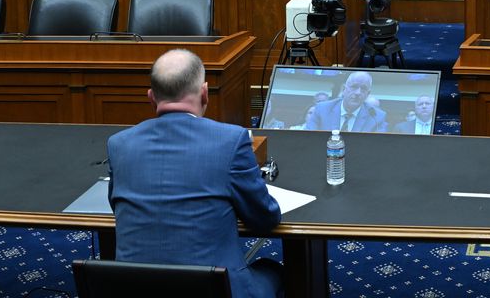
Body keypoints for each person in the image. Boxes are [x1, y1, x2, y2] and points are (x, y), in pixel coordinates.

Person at [106, 49, 283, 298]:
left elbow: (116, 206)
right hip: (214, 289)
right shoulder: (231, 140)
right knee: (272, 269)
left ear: (151, 98)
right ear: (204, 93)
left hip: (137, 288)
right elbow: (264, 218)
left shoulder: (118, 144)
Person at [305, 71, 388, 132]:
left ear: (367, 94)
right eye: (354, 87)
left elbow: (378, 146)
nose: (358, 92)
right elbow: (310, 139)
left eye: (363, 88)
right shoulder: (322, 109)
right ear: (344, 89)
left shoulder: (376, 117)